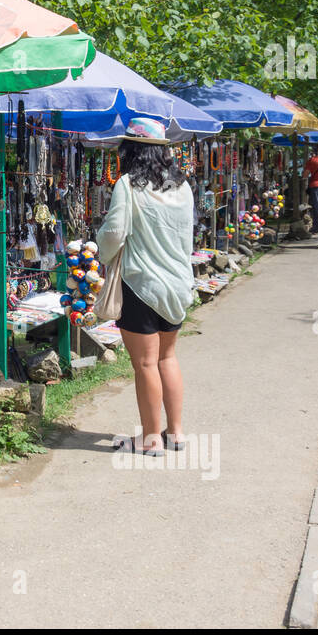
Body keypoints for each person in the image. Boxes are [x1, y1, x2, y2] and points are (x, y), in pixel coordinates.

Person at [98, 117, 195, 456]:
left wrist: (101, 253)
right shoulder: (183, 186)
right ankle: (176, 432)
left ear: (132, 151)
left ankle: (152, 437)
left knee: (144, 364)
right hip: (178, 284)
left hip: (142, 284)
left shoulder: (128, 185)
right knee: (168, 357)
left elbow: (114, 233)